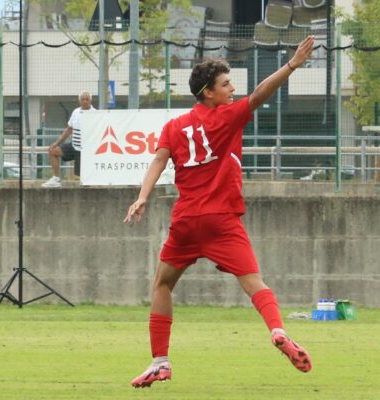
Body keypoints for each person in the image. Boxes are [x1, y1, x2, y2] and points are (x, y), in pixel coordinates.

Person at [123, 35, 315, 388]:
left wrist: (142, 197)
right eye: (226, 84)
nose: (232, 89)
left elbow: (157, 160)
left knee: (162, 284)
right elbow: (259, 95)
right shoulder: (226, 118)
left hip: (186, 220)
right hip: (222, 219)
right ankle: (277, 330)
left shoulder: (174, 126)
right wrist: (291, 65)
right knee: (254, 283)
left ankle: (160, 362)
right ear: (208, 93)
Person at [42, 91, 95, 188]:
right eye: (82, 99)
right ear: (79, 101)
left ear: (90, 100)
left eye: (87, 99)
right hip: (73, 146)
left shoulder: (95, 114)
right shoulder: (76, 112)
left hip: (86, 150)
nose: (85, 101)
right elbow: (68, 130)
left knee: (82, 181)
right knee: (52, 151)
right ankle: (56, 178)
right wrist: (56, 143)